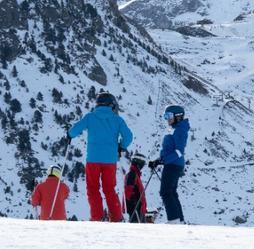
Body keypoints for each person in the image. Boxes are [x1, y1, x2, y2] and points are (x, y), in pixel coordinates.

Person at [68, 90, 134, 222]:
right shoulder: (117, 119)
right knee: (109, 188)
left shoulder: (90, 117)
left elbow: (73, 131)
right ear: (111, 105)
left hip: (93, 159)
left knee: (93, 189)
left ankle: (96, 217)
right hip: (110, 160)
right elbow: (128, 136)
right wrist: (121, 146)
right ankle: (116, 217)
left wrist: (69, 134)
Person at [148, 105, 188, 224]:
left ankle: (173, 219)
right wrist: (158, 160)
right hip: (172, 164)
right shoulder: (176, 128)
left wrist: (164, 161)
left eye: (169, 116)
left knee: (165, 192)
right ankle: (179, 219)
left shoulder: (180, 129)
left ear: (178, 116)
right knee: (171, 192)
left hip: (173, 165)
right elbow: (169, 150)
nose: (167, 118)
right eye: (165, 116)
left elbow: (179, 151)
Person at [124, 153, 150, 223]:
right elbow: (127, 192)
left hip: (139, 210)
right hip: (135, 211)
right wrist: (133, 203)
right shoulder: (132, 175)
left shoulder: (136, 175)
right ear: (138, 163)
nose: (143, 166)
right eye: (142, 163)